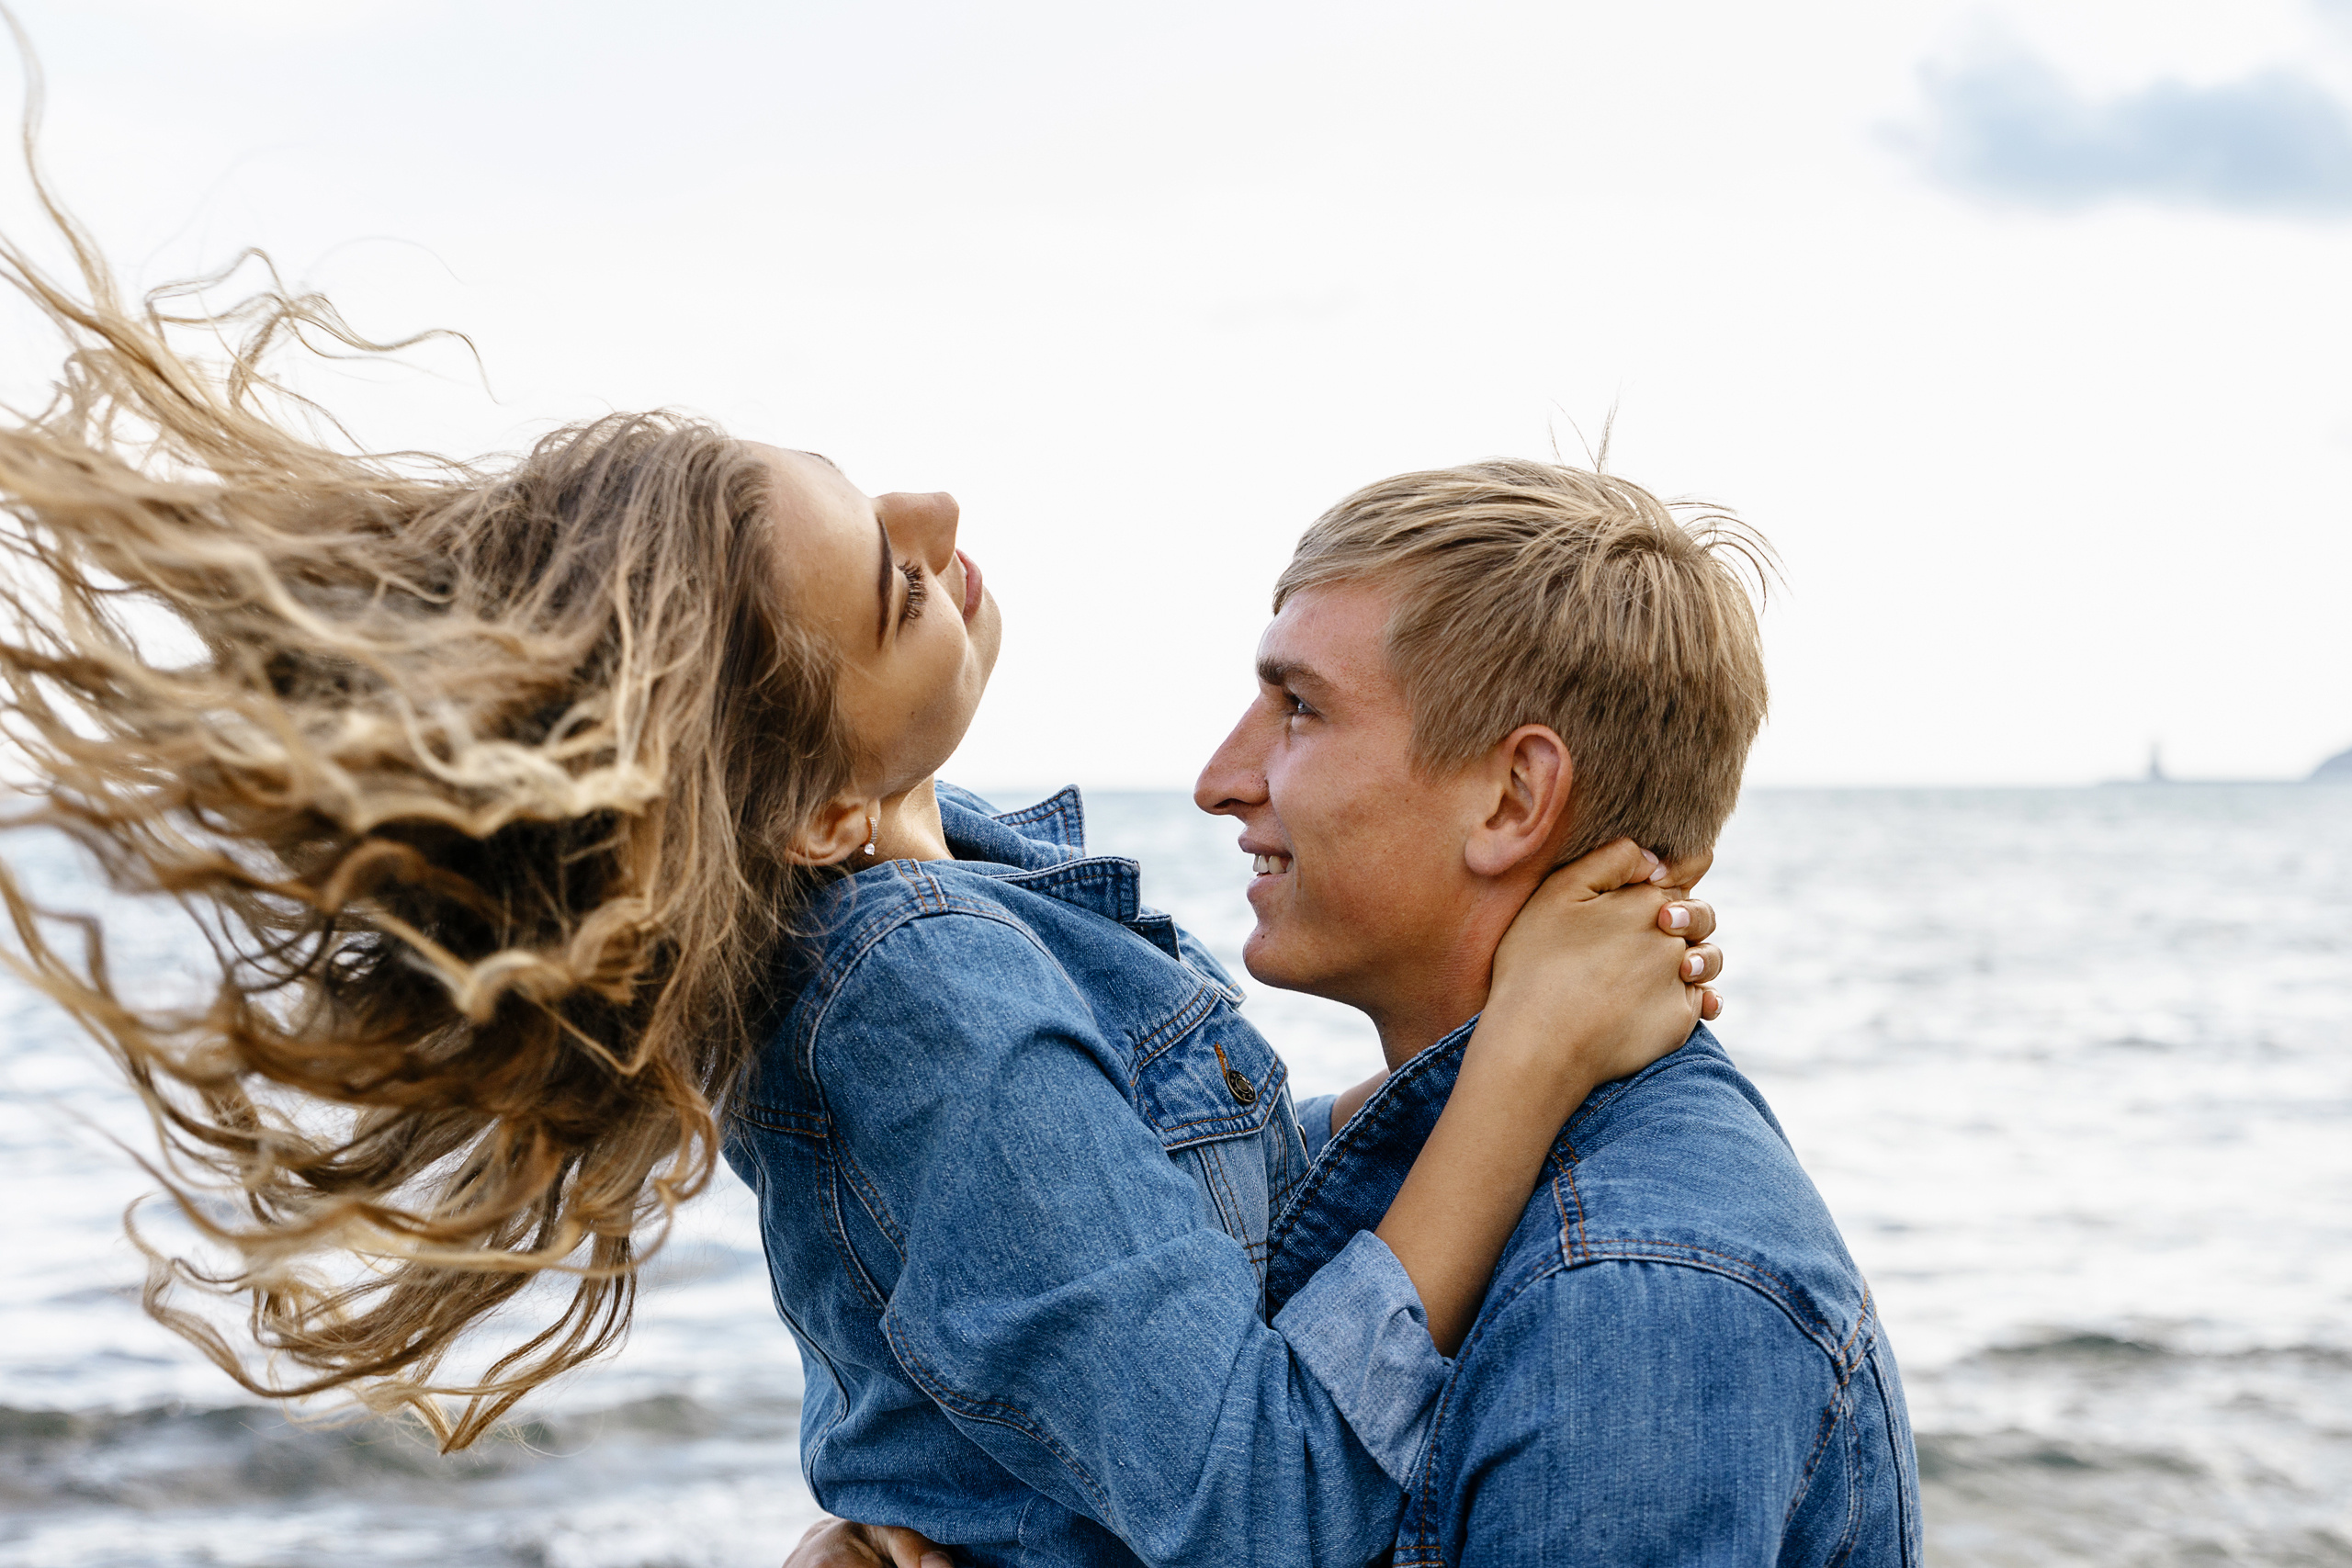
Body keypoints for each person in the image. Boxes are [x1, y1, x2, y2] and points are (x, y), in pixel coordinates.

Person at [0, 141, 1721, 1565]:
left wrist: (1480, 1047)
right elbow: (1264, 1505)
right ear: (817, 809)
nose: (942, 518)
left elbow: (1190, 1194)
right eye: (887, 579)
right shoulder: (917, 986)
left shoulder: (945, 905)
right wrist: (1528, 1062)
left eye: (869, 492)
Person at [811, 460, 1919, 1565]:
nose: (1218, 778)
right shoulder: (1435, 1173)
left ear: (1512, 799)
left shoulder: (1636, 1304)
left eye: (1297, 709)